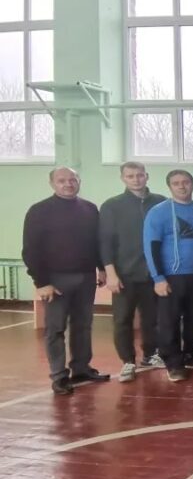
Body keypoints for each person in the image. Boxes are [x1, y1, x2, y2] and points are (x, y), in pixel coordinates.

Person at [23, 167, 110, 395]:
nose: (68, 184)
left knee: (83, 325)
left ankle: (81, 368)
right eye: (62, 180)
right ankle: (59, 376)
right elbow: (30, 250)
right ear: (52, 183)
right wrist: (41, 282)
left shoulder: (90, 209)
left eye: (73, 179)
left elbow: (96, 242)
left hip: (86, 277)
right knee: (56, 329)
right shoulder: (39, 211)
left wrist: (101, 268)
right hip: (54, 280)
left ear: (79, 181)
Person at [143, 169, 193, 382]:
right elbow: (151, 246)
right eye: (176, 183)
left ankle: (192, 354)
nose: (182, 186)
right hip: (171, 277)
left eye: (186, 182)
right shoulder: (158, 212)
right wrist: (158, 278)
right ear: (170, 187)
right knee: (169, 322)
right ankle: (173, 362)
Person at [99, 162, 166, 383]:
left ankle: (150, 354)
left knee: (152, 318)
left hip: (153, 274)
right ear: (123, 179)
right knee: (122, 319)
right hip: (124, 274)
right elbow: (105, 242)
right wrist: (110, 272)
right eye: (130, 176)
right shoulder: (112, 206)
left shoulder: (161, 202)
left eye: (139, 175)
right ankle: (127, 361)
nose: (136, 179)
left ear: (147, 176)